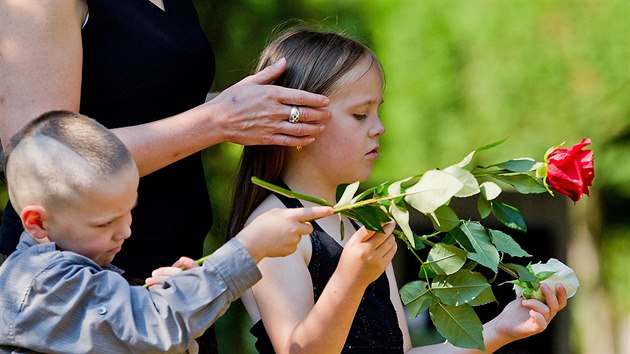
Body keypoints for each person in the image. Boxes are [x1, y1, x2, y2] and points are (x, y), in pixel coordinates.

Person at [227, 28, 568, 354]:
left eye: (378, 111)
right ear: (297, 119)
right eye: (360, 114)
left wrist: (499, 330)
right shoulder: (275, 229)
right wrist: (351, 278)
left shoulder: (361, 225)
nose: (379, 128)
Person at [0, 111, 334, 353]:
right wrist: (246, 250)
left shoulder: (77, 274)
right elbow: (152, 327)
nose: (125, 232)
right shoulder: (40, 285)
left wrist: (172, 292)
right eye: (104, 224)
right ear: (38, 223)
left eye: (128, 213)